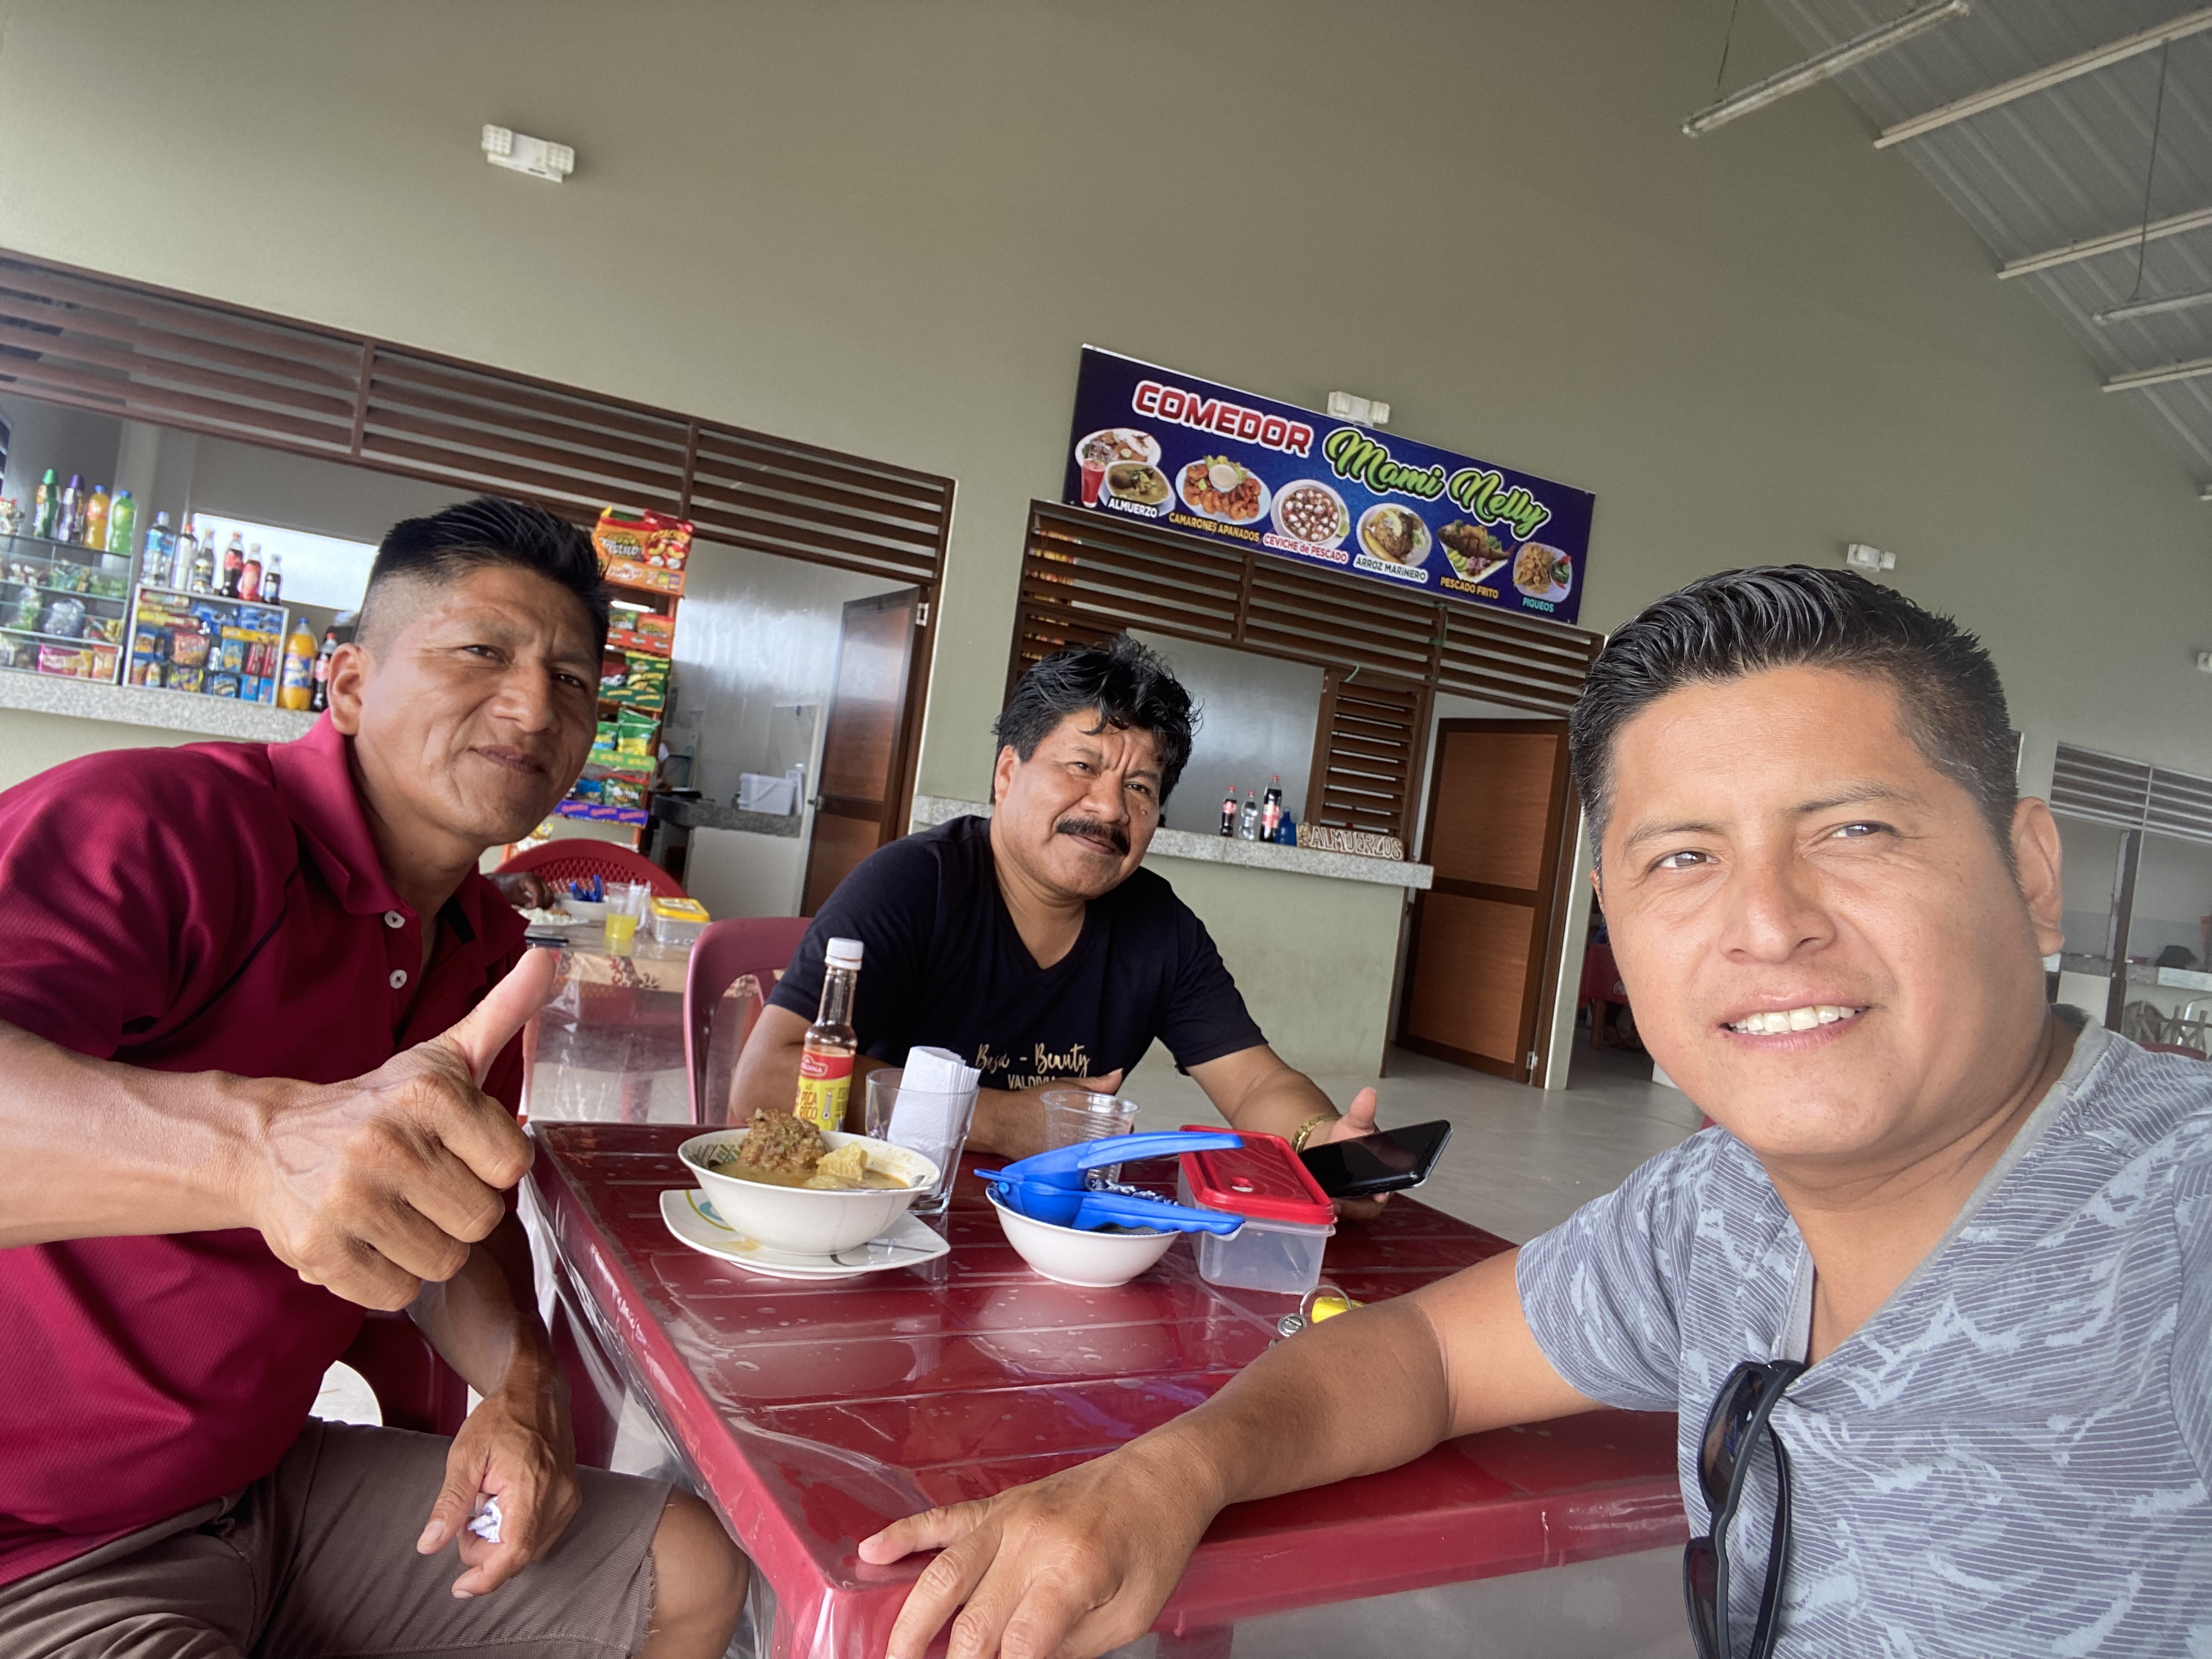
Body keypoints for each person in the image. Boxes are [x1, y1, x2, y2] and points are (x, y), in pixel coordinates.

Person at [856, 567, 2212, 1658]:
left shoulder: (2178, 1223)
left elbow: (1256, 1078)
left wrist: (1316, 1145)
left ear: (2032, 875)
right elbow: (1427, 1355)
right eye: (1686, 855)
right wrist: (1165, 1472)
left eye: (1854, 831)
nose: (1768, 924)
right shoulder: (1711, 1211)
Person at [0, 498, 748, 1656]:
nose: (534, 705)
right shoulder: (161, 826)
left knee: (686, 1566)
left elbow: (442, 1235)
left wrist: (523, 1387)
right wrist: (256, 1149)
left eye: (572, 679)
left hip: (257, 1485)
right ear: (348, 683)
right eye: (482, 652)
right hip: (39, 1544)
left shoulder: (488, 950)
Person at [730, 634, 1380, 1164]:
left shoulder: (1159, 928)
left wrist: (1325, 1146)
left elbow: (1257, 1082)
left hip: (1053, 1232)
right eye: (1082, 766)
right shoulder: (912, 885)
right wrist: (1003, 1121)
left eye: (1141, 788)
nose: (1110, 808)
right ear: (1007, 773)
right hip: (879, 1210)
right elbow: (765, 1080)